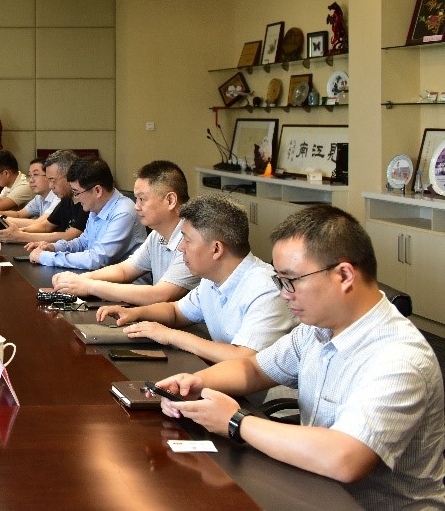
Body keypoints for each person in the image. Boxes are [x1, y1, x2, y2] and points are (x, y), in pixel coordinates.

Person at [155, 205, 445, 508]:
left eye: (291, 280)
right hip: (315, 490)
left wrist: (236, 421)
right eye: (280, 281)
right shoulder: (316, 329)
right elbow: (253, 369)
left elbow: (346, 458)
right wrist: (195, 383)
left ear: (344, 275)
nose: (284, 294)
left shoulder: (399, 358)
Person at [96, 193, 294, 362]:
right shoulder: (211, 279)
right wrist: (135, 313)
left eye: (187, 240)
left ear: (216, 249)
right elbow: (176, 312)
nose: (181, 248)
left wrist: (170, 336)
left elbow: (244, 358)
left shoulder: (265, 288)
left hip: (262, 395)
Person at [51, 160, 198, 305]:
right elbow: (124, 270)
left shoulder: (193, 239)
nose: (136, 206)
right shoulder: (157, 235)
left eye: (142, 199)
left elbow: (160, 295)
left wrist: (89, 286)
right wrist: (80, 279)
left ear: (170, 200)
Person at [27, 157, 144, 270]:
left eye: (76, 192)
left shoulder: (123, 212)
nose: (76, 198)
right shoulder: (96, 207)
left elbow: (97, 259)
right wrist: (54, 247)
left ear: (97, 190)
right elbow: (83, 242)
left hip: (125, 282)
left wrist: (46, 257)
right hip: (98, 277)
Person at [0, 151, 87, 247]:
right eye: (49, 180)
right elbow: (46, 226)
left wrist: (20, 236)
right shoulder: (66, 199)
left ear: (70, 176)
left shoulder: (86, 201)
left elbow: (70, 236)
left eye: (53, 180)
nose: (51, 186)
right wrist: (17, 232)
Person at [0, 158, 54, 226]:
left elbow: (41, 224)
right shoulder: (39, 197)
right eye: (30, 175)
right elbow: (19, 214)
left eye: (35, 175)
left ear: (49, 176)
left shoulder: (57, 198)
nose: (31, 180)